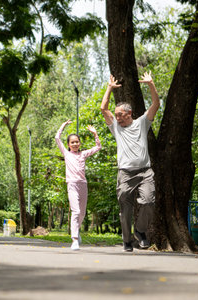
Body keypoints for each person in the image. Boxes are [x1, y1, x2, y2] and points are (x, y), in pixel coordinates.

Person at [100, 72, 160, 252]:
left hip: (145, 172)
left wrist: (151, 84)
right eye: (116, 115)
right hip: (125, 174)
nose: (117, 118)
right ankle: (127, 240)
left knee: (149, 201)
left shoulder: (142, 123)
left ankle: (140, 231)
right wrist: (109, 88)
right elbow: (103, 109)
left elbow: (156, 105)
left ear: (129, 113)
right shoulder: (116, 128)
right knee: (125, 209)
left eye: (120, 115)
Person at [55, 120, 101, 250]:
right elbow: (57, 138)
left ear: (79, 143)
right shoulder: (66, 153)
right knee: (76, 211)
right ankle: (74, 239)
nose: (75, 144)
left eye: (77, 142)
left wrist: (95, 134)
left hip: (83, 185)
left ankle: (77, 230)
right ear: (69, 144)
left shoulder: (83, 154)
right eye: (72, 142)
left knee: (82, 213)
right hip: (72, 185)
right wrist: (63, 126)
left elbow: (98, 147)